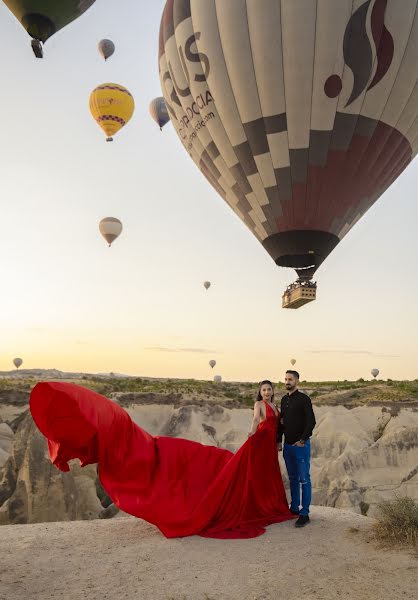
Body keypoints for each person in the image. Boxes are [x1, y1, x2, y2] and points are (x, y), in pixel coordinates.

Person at [30, 380, 296, 539]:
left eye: (269, 389)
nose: (266, 392)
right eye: (263, 389)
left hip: (269, 445)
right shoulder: (260, 406)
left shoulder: (275, 405)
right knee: (203, 459)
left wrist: (278, 440)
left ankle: (260, 496)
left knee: (212, 459)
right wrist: (250, 439)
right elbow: (253, 425)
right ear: (259, 392)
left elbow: (277, 426)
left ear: (272, 391)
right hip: (256, 442)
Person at [277, 370, 316, 528]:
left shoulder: (304, 399)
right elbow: (281, 423)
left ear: (297, 381)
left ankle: (304, 513)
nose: (287, 382)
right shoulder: (284, 400)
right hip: (288, 446)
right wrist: (279, 440)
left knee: (304, 479)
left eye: (290, 379)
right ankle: (294, 508)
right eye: (286, 379)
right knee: (292, 478)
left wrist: (302, 440)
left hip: (300, 446)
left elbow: (311, 422)